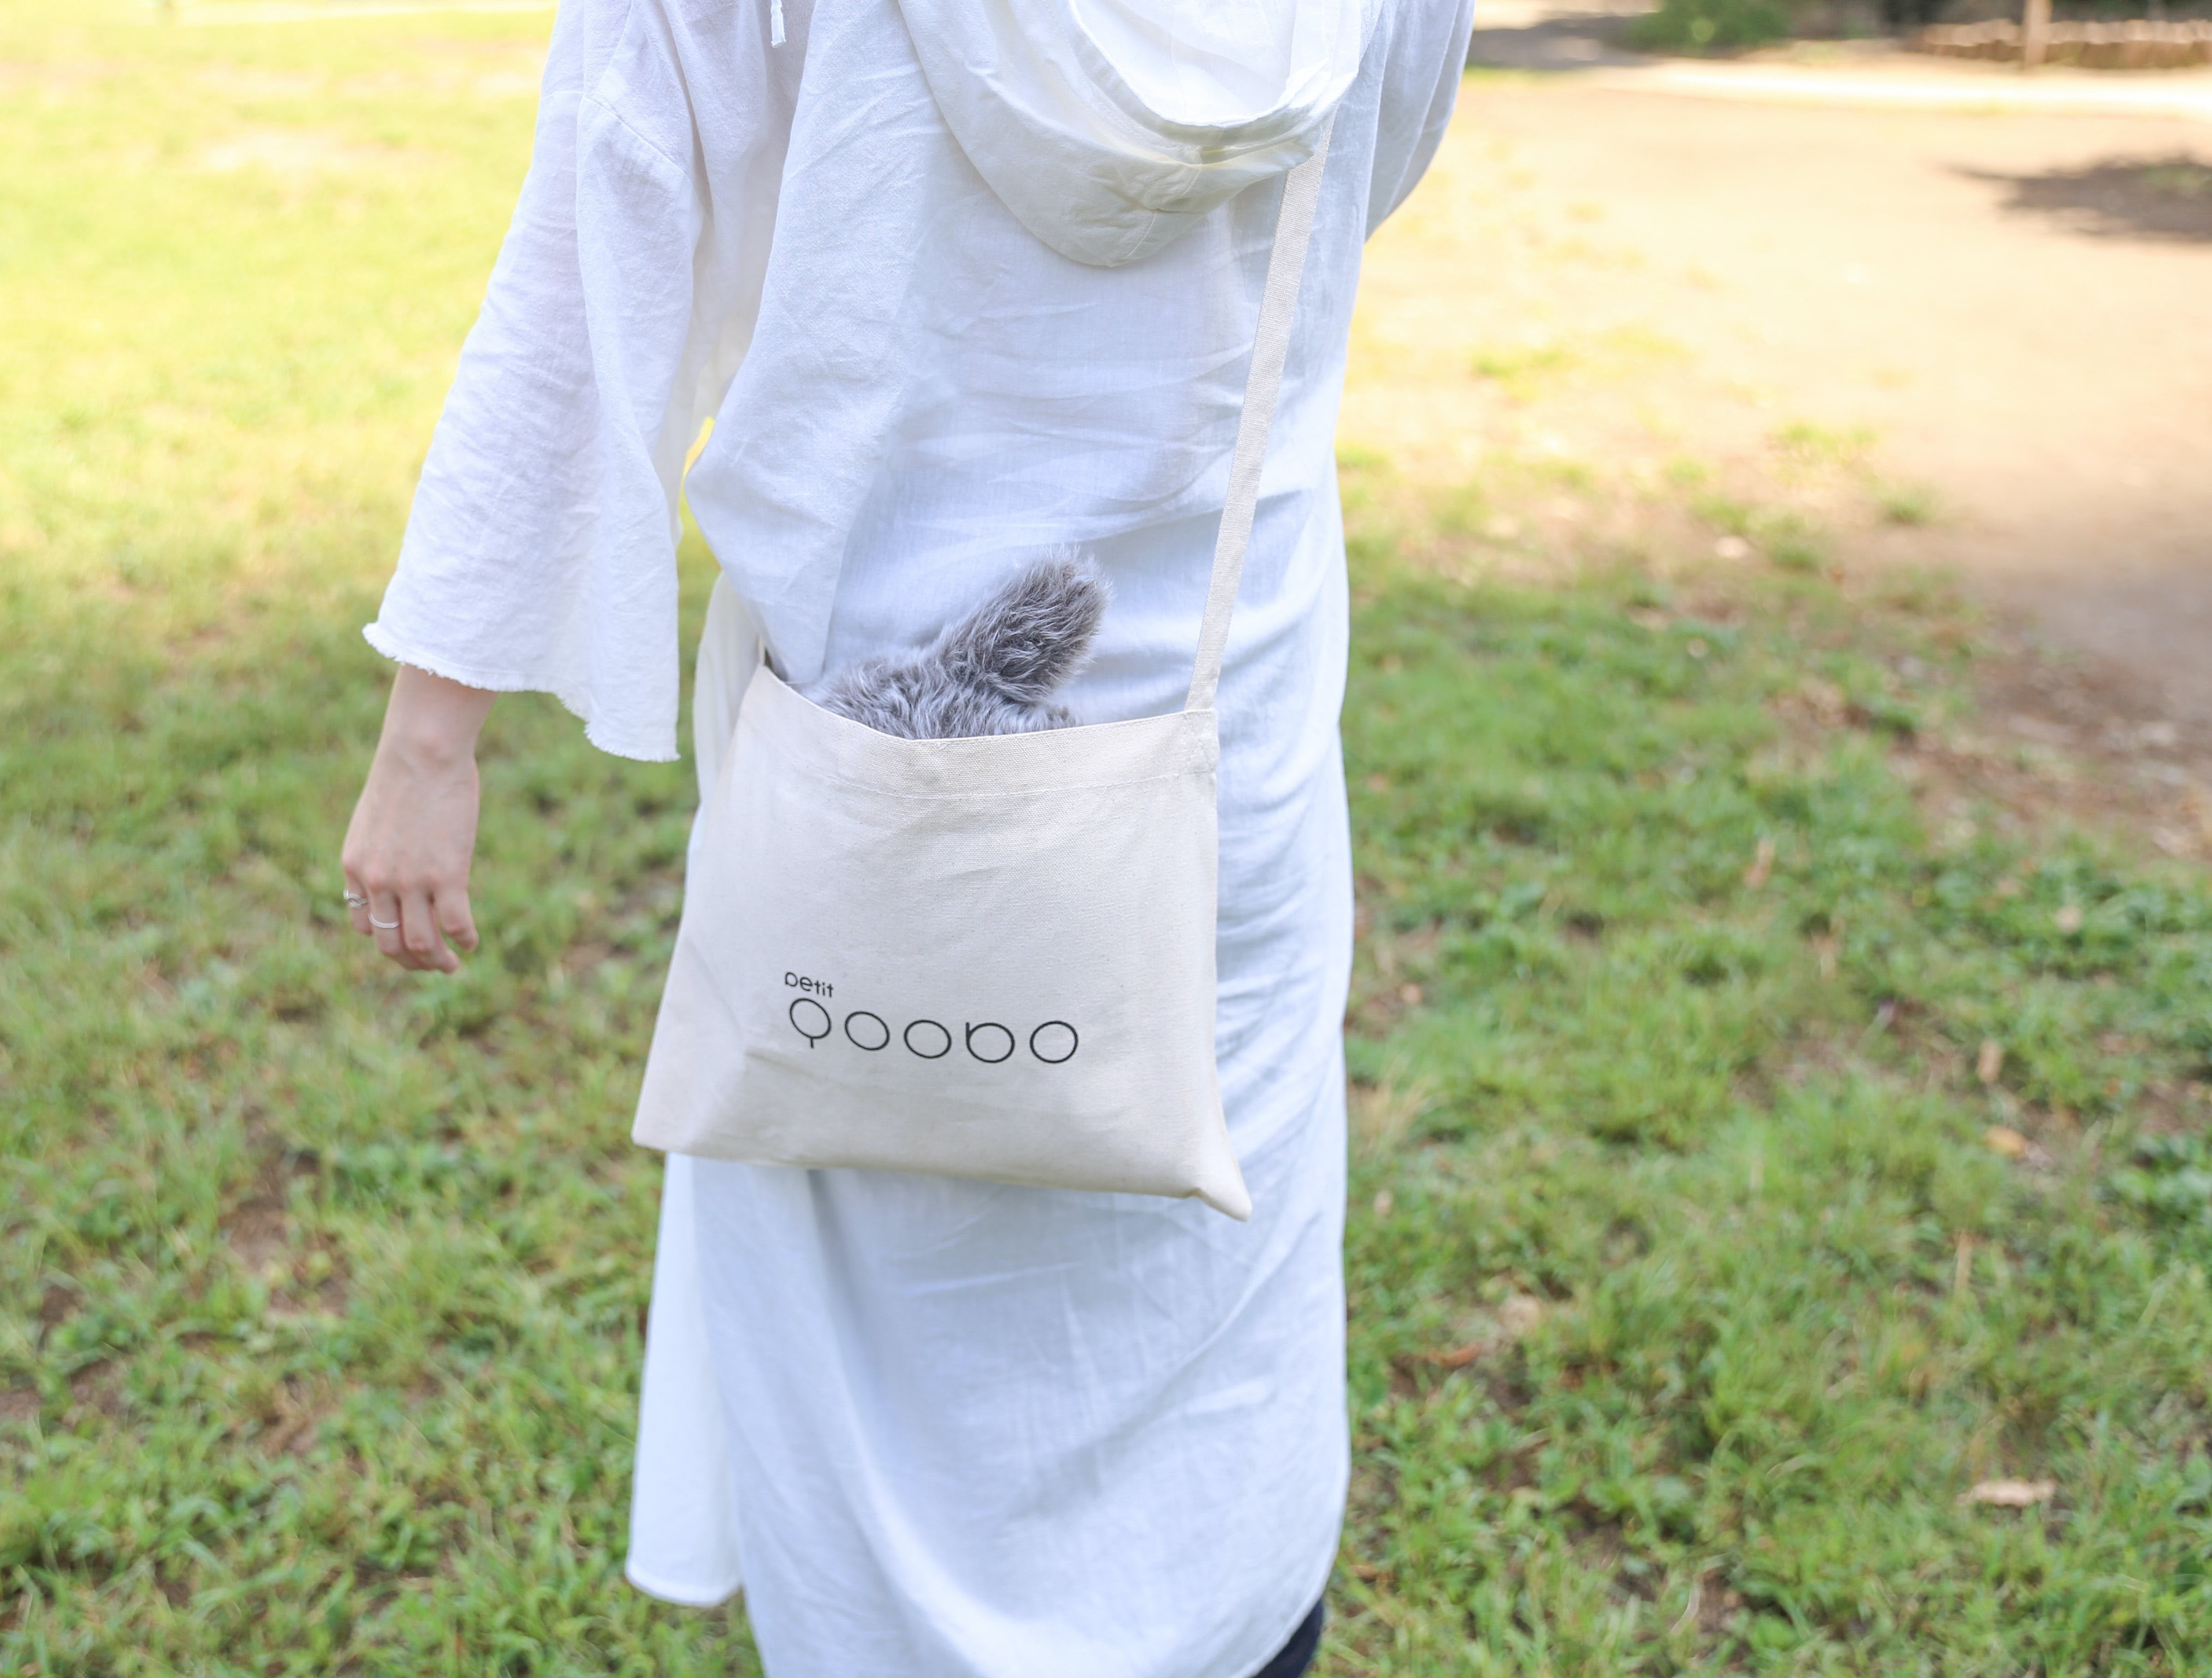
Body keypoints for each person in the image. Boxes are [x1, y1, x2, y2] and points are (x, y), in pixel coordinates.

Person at [338, 0, 1473, 1671]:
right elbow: (1378, 158)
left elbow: (598, 265)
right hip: (1214, 716)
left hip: (860, 747)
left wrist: (431, 733)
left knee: (879, 1332)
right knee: (1199, 1296)